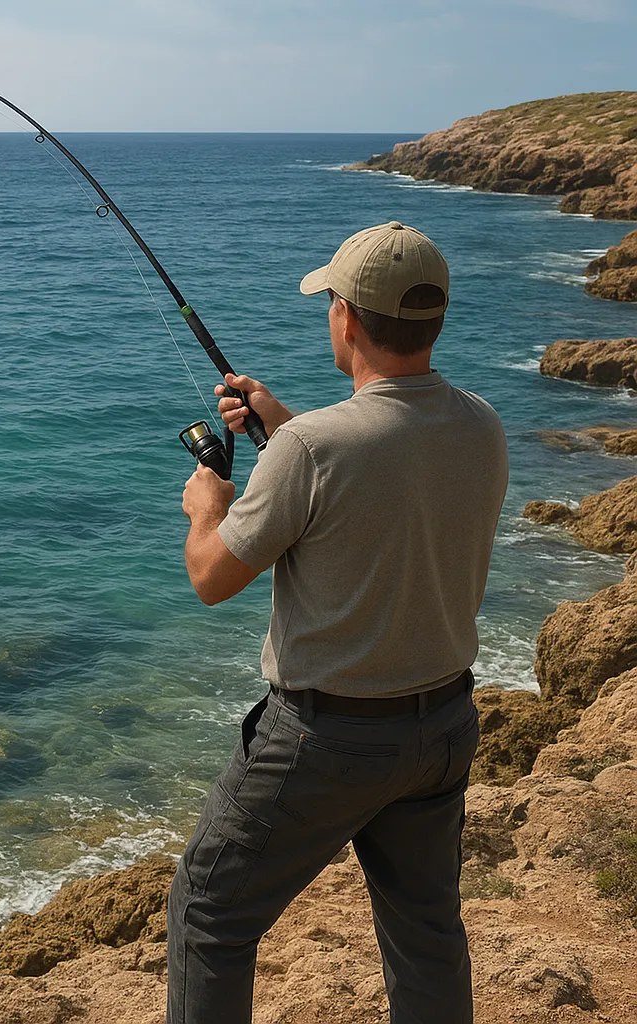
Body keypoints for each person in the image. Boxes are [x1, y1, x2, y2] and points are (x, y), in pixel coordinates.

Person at [168, 221, 509, 1024]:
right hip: (444, 726)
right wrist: (281, 426)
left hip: (326, 743)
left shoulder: (315, 449)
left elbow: (212, 577)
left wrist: (204, 509)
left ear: (347, 318)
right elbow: (383, 478)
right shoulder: (481, 424)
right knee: (426, 934)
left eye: (330, 302)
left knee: (208, 915)